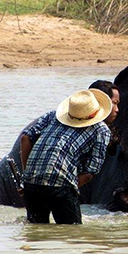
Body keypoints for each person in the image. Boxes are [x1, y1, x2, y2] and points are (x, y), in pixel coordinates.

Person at [19, 89, 112, 224]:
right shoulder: (100, 130)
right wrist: (69, 188)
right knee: (71, 234)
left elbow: (25, 138)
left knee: (36, 232)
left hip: (31, 185)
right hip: (61, 185)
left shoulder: (52, 116)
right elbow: (90, 172)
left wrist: (26, 176)